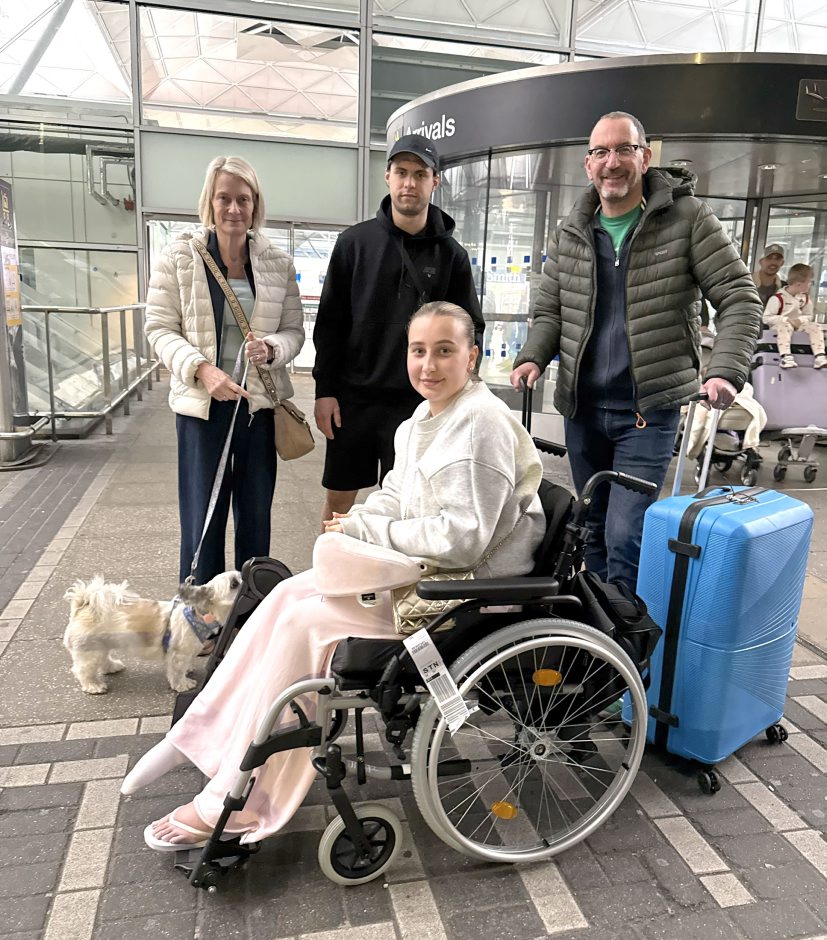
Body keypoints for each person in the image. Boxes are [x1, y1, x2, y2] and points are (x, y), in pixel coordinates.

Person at [122, 302, 545, 850]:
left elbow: (464, 538)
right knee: (286, 594)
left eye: (445, 351)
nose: (428, 365)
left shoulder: (479, 425)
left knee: (304, 624)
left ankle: (240, 796)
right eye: (418, 350)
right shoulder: (425, 417)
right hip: (424, 570)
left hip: (462, 590)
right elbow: (395, 494)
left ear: (472, 356)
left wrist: (369, 532)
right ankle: (199, 732)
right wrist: (356, 521)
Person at [510, 110, 761, 590]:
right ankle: (600, 623)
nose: (613, 162)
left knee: (626, 535)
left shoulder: (688, 218)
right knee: (589, 528)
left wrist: (726, 369)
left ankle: (625, 632)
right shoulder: (572, 229)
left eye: (624, 149)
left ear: (645, 158)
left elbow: (739, 296)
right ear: (588, 165)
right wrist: (532, 356)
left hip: (647, 410)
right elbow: (550, 311)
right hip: (583, 410)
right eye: (601, 152)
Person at [145, 156, 304, 585]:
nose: (234, 209)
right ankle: (201, 611)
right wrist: (202, 370)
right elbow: (159, 328)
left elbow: (294, 331)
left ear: (256, 205)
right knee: (203, 516)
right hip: (202, 409)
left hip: (257, 409)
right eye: (224, 198)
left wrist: (272, 348)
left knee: (255, 516)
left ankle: (250, 607)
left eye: (243, 199)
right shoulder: (179, 257)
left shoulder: (277, 264)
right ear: (209, 202)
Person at [312, 134, 484, 529]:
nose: (409, 183)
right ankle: (328, 567)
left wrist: (456, 396)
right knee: (338, 503)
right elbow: (330, 324)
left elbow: (470, 328)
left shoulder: (452, 256)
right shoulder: (353, 244)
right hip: (352, 400)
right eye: (402, 172)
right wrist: (325, 390)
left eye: (420, 174)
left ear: (434, 181)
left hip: (419, 404)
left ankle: (394, 572)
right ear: (387, 177)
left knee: (411, 508)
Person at [762, 262, 827, 369]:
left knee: (815, 326)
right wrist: (786, 319)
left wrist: (800, 320)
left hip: (798, 326)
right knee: (785, 326)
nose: (810, 285)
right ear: (799, 284)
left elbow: (809, 315)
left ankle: (819, 355)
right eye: (809, 282)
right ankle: (786, 356)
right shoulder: (778, 298)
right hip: (780, 326)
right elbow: (766, 318)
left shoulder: (805, 299)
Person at [752, 244, 786, 308]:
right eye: (769, 258)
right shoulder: (746, 283)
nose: (773, 262)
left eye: (777, 259)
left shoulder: (785, 288)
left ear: (782, 263)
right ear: (761, 261)